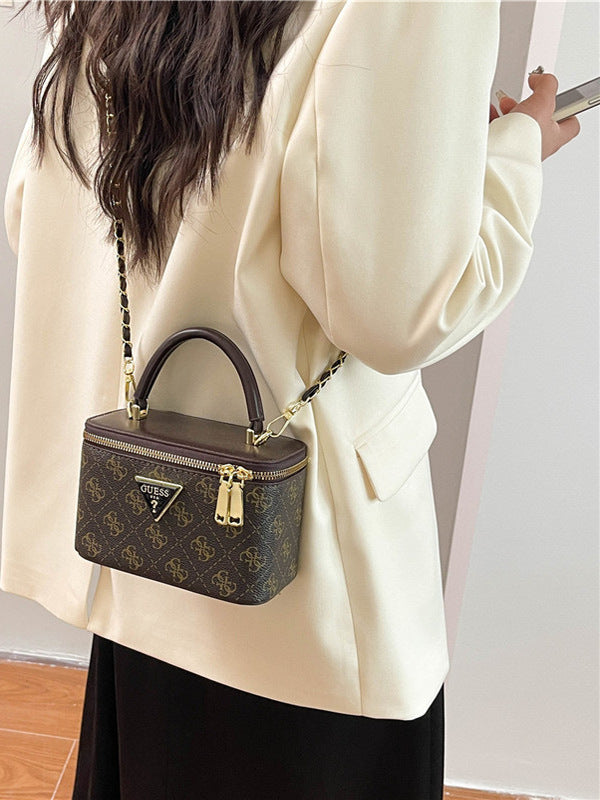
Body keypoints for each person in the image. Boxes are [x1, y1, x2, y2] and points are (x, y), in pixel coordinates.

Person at [1, 2, 580, 799]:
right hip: (299, 579)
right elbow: (402, 310)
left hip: (144, 530)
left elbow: (33, 208)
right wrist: (514, 156)